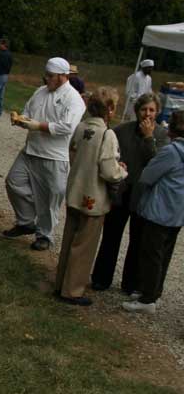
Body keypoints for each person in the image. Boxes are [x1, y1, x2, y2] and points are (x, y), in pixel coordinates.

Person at [3, 57, 86, 251]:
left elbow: (68, 127)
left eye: (50, 76)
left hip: (54, 156)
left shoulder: (73, 99)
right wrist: (20, 119)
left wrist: (39, 126)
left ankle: (45, 236)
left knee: (51, 198)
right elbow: (28, 111)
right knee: (13, 182)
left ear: (62, 76)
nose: (46, 79)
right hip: (31, 150)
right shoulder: (40, 92)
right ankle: (26, 221)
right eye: (46, 75)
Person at [54, 88, 127, 306]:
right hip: (93, 197)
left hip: (75, 191)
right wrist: (122, 170)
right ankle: (73, 290)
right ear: (110, 109)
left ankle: (60, 283)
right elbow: (108, 170)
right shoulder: (107, 134)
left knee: (69, 240)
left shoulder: (81, 127)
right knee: (84, 246)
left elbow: (73, 153)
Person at [91, 92, 169, 293]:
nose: (147, 114)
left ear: (157, 112)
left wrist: (148, 137)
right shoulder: (121, 131)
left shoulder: (161, 135)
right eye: (144, 109)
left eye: (152, 110)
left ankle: (130, 283)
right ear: (137, 111)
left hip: (143, 195)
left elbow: (157, 163)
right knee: (111, 237)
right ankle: (101, 278)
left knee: (138, 241)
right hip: (121, 192)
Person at [122, 109, 184, 314]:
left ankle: (147, 298)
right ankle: (154, 292)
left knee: (151, 254)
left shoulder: (172, 152)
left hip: (159, 210)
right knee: (163, 255)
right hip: (177, 213)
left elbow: (148, 175)